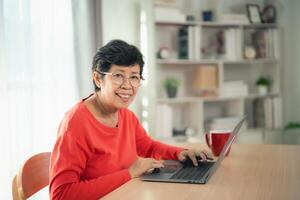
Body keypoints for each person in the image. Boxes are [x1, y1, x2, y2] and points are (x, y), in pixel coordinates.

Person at [49, 40, 211, 200]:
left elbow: (147, 147)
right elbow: (61, 194)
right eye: (118, 76)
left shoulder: (125, 114)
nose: (128, 86)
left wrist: (179, 153)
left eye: (134, 77)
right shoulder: (75, 125)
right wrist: (130, 173)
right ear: (98, 78)